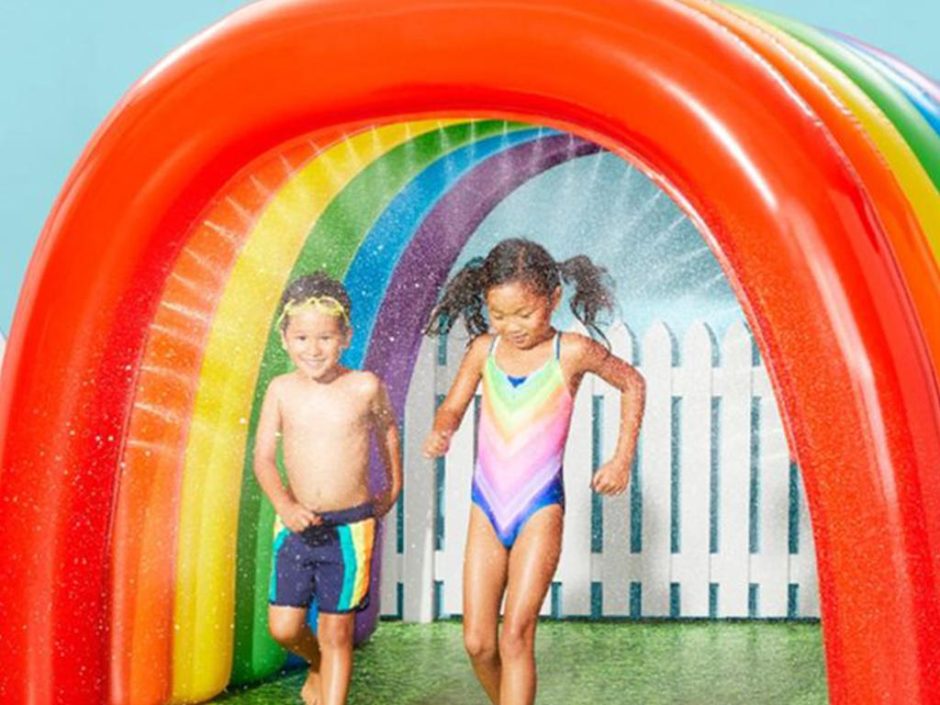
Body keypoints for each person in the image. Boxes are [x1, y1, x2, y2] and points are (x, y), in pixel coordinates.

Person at [423, 238, 645, 705]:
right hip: (486, 508)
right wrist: (442, 430)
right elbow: (454, 407)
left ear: (554, 299)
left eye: (524, 314)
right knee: (479, 643)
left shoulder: (571, 352)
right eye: (499, 315)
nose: (513, 327)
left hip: (540, 509)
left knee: (516, 635)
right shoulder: (484, 350)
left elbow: (633, 382)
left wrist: (621, 457)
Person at [254, 272, 402, 705]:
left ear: (345, 337)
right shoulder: (281, 391)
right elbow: (263, 458)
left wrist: (393, 486)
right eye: (301, 337)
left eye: (324, 337)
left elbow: (388, 432)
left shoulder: (364, 386)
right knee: (283, 627)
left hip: (350, 529)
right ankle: (317, 663)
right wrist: (285, 504)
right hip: (296, 524)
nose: (313, 349)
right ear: (285, 338)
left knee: (338, 631)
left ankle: (331, 681)